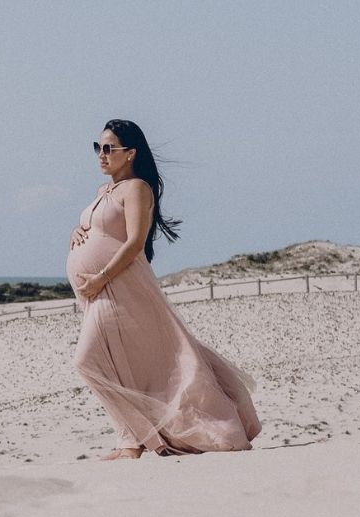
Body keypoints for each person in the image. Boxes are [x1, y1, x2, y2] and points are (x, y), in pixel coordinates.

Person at [66, 119, 261, 460]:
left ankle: (134, 441)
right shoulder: (103, 192)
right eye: (98, 147)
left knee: (88, 361)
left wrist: (100, 278)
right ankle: (129, 441)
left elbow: (134, 242)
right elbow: (100, 229)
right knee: (117, 363)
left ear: (130, 154)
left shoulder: (137, 188)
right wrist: (76, 231)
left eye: (109, 148)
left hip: (119, 288)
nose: (101, 155)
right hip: (99, 294)